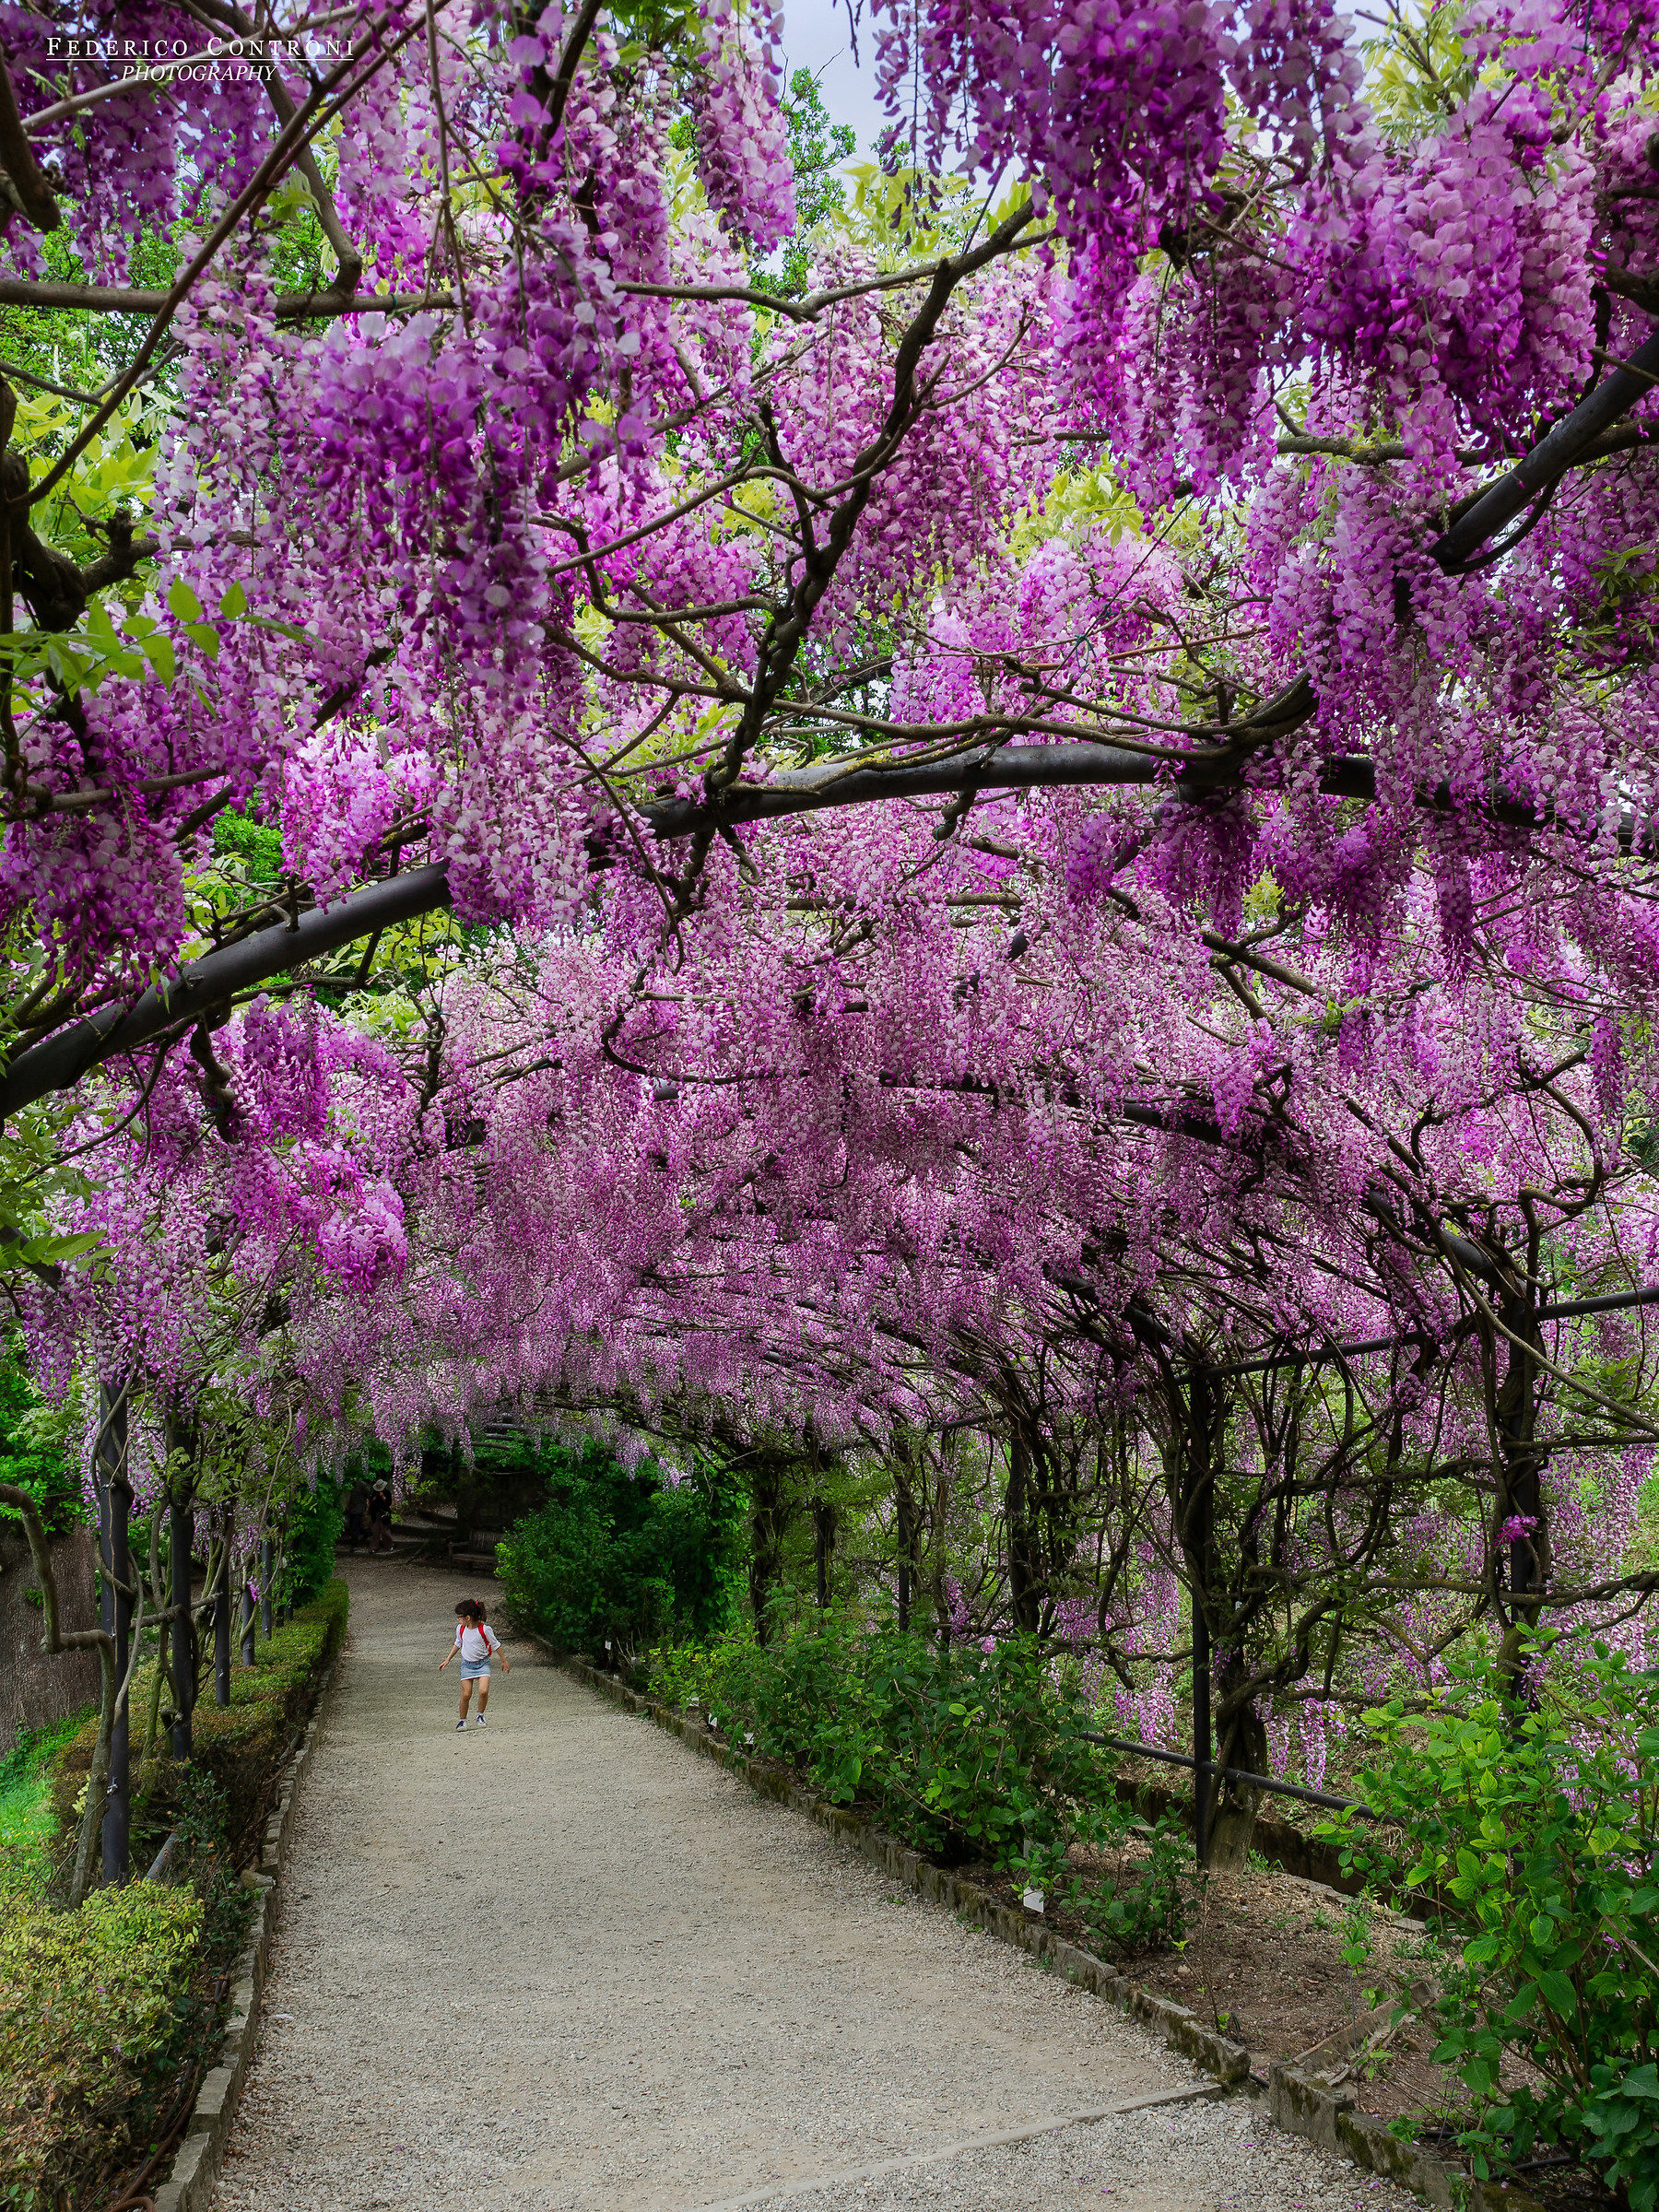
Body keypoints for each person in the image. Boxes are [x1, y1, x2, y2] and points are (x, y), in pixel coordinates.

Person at [437, 1598, 509, 1727]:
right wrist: (448, 1659)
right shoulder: (461, 1629)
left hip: (483, 1663)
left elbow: (496, 1645)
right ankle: (462, 1720)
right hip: (467, 1664)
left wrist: (503, 1660)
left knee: (483, 1691)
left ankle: (480, 1715)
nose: (458, 1619)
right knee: (466, 1694)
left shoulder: (485, 1629)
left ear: (468, 1617)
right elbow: (458, 1643)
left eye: (460, 1617)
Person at [344, 1478, 368, 1555]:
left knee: (355, 1526)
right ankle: (367, 1533)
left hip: (359, 1508)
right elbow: (351, 1498)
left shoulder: (362, 1484)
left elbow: (368, 1494)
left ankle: (354, 1545)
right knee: (354, 1525)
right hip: (352, 1509)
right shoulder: (350, 1485)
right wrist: (348, 1506)